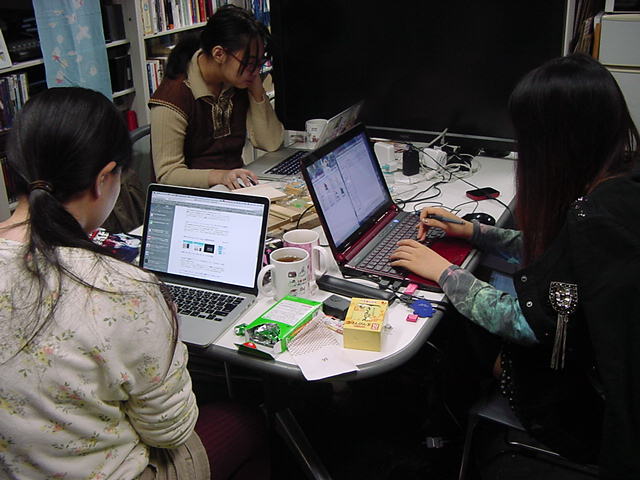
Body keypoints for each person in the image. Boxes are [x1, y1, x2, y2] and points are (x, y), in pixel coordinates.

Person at [390, 54, 640, 479]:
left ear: (557, 141)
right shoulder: (620, 179)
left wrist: (445, 273)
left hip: (580, 407)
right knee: (471, 291)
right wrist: (476, 233)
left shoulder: (595, 220)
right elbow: (563, 255)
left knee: (451, 322)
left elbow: (527, 323)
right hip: (594, 366)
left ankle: (440, 444)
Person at [0, 87, 270, 479]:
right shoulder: (123, 290)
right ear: (104, 178)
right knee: (248, 418)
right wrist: (166, 331)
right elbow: (171, 431)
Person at [149, 5, 283, 190]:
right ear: (219, 54)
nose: (255, 71)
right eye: (250, 63)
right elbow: (167, 174)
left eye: (259, 63)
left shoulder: (236, 82)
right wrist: (220, 176)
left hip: (233, 186)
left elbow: (271, 142)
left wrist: (256, 88)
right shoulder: (173, 97)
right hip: (195, 195)